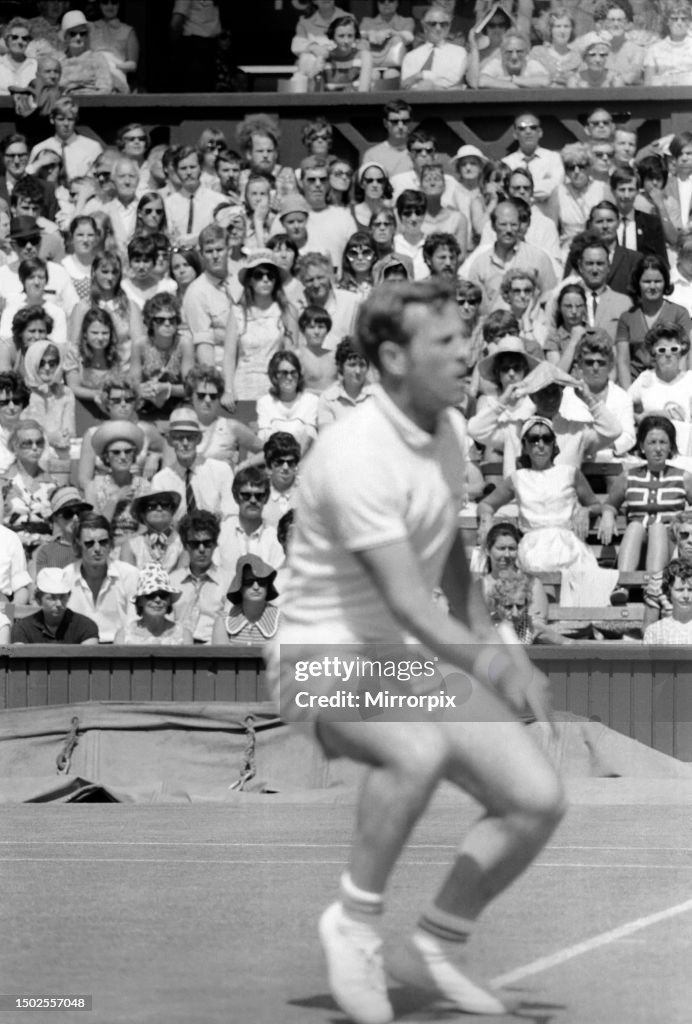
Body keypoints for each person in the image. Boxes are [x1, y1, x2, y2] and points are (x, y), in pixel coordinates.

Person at [267, 280, 563, 1023]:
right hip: (320, 659)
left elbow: (456, 576)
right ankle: (355, 923)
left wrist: (507, 656)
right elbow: (405, 599)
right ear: (394, 358)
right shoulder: (356, 454)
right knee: (417, 749)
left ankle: (434, 945)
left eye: (466, 337)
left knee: (536, 799)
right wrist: (492, 668)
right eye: (448, 342)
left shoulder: (449, 428)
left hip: (401, 663)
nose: (469, 352)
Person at [477, 415, 606, 574]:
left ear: (553, 443)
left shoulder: (570, 473)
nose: (541, 444)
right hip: (533, 548)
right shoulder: (518, 478)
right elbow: (487, 504)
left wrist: (586, 511)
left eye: (546, 438)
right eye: (534, 439)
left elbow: (596, 505)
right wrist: (486, 521)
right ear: (524, 444)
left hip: (569, 545)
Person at [602, 415, 692, 604]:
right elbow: (610, 504)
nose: (658, 448)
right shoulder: (628, 477)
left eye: (663, 442)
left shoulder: (683, 477)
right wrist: (608, 515)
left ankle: (656, 586)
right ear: (642, 446)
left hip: (670, 548)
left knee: (658, 527)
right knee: (635, 526)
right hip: (637, 549)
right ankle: (623, 586)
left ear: (670, 447)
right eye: (652, 442)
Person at [615, 257, 691, 388]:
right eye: (646, 281)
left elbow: (684, 357)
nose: (652, 286)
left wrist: (678, 389)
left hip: (670, 385)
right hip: (637, 386)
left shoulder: (680, 313)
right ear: (637, 283)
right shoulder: (627, 317)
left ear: (665, 283)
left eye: (657, 281)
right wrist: (628, 396)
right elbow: (623, 361)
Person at [64, 511, 139, 643]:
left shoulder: (130, 575)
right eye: (89, 543)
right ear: (78, 544)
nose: (97, 548)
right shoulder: (66, 576)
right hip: (77, 651)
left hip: (120, 649)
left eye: (103, 542)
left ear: (110, 543)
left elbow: (134, 624)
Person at [150, 406, 235, 520]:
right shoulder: (161, 480)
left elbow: (231, 514)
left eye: (190, 437)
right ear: (170, 441)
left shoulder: (221, 470)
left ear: (199, 439)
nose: (185, 443)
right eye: (179, 438)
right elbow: (161, 522)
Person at [627, 322, 692, 453]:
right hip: (653, 453)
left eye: (674, 349)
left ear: (681, 352)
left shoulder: (690, 380)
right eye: (662, 350)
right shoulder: (645, 379)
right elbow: (623, 407)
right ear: (653, 353)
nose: (668, 355)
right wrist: (641, 418)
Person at [216, 466, 284, 579]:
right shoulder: (220, 533)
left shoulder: (275, 538)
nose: (253, 500)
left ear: (266, 498)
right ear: (236, 497)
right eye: (246, 495)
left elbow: (278, 580)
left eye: (259, 496)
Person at [170, 509, 226, 644]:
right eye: (195, 544)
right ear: (185, 545)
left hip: (214, 651)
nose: (201, 549)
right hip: (177, 650)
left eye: (207, 543)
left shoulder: (228, 582)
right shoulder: (171, 581)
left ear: (215, 544)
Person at [11, 566, 97, 644]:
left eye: (62, 597)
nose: (59, 604)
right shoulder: (22, 628)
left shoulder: (85, 626)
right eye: (51, 598)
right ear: (38, 599)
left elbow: (89, 658)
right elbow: (19, 658)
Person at [113, 562, 191, 645]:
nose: (157, 600)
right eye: (151, 595)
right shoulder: (123, 636)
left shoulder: (184, 636)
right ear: (140, 601)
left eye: (163, 595)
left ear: (169, 601)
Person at [212, 553, 280, 645]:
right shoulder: (223, 622)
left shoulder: (280, 620)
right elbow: (220, 658)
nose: (256, 587)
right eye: (249, 582)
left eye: (262, 582)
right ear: (239, 586)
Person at [401, 5, 467, 89]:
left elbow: (451, 81)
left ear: (449, 27)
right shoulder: (411, 56)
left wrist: (422, 75)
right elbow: (405, 86)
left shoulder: (459, 53)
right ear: (424, 26)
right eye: (433, 24)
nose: (438, 28)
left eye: (443, 24)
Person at [119, 490, 184, 573]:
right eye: (152, 506)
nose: (159, 508)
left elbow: (182, 576)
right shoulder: (131, 545)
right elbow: (127, 579)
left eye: (165, 505)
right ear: (142, 513)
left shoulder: (183, 543)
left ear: (172, 511)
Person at [33, 484, 92, 576]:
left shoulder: (96, 544)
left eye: (79, 512)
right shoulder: (46, 552)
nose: (75, 518)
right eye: (68, 513)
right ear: (56, 518)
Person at [317, 336, 374, 428]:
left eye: (362, 365)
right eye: (352, 365)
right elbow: (327, 436)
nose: (358, 371)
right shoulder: (328, 398)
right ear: (340, 367)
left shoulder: (378, 396)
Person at [59, 9, 114, 94]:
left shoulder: (97, 58)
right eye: (73, 34)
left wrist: (84, 96)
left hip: (91, 103)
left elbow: (105, 88)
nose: (78, 37)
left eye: (82, 33)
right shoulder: (58, 61)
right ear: (65, 37)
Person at [361, 100, 414, 179]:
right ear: (385, 123)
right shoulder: (373, 155)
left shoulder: (421, 152)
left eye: (405, 121)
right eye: (394, 122)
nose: (400, 126)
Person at [643, 559, 692, 643]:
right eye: (679, 590)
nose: (686, 596)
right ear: (668, 592)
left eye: (690, 590)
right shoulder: (655, 632)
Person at [643, 3, 692, 86]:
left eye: (683, 19)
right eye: (674, 19)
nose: (679, 23)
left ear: (689, 22)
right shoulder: (654, 50)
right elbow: (648, 83)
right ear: (667, 22)